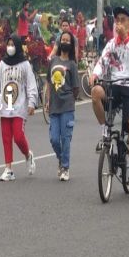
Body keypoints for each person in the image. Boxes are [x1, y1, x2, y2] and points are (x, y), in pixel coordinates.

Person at [90, 6, 129, 191]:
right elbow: (102, 61)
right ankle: (105, 130)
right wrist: (94, 74)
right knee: (96, 92)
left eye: (122, 20)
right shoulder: (111, 43)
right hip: (115, 84)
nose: (119, 23)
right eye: (117, 20)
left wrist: (126, 39)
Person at [0, 34, 38, 182]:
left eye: (13, 44)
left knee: (18, 137)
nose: (10, 47)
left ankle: (27, 155)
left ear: (17, 46)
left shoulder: (25, 64)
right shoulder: (3, 64)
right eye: (9, 44)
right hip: (5, 106)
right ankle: (8, 169)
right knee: (6, 138)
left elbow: (31, 84)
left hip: (19, 107)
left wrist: (32, 103)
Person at [45, 31, 80, 181]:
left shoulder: (72, 64)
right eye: (63, 39)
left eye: (68, 40)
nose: (65, 42)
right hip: (53, 105)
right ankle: (61, 159)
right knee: (54, 139)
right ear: (59, 43)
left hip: (67, 105)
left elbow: (76, 87)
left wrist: (70, 99)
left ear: (71, 45)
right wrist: (47, 101)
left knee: (65, 139)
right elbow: (48, 82)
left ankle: (65, 167)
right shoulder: (53, 61)